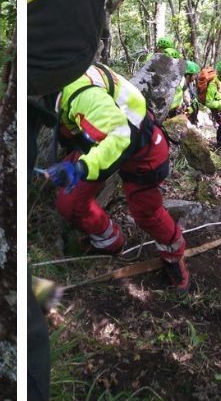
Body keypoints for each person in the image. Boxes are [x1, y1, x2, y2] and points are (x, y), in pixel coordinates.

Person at [28, 0, 106, 400]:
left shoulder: (86, 96)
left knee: (69, 200)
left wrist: (78, 165)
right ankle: (35, 288)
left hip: (61, 35)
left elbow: (120, 138)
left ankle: (101, 242)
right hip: (67, 22)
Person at [43, 63, 190, 292]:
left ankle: (173, 256)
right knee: (70, 203)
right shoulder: (62, 82)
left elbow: (120, 134)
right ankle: (110, 242)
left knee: (147, 213)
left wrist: (81, 168)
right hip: (99, 144)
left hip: (142, 146)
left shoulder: (80, 94)